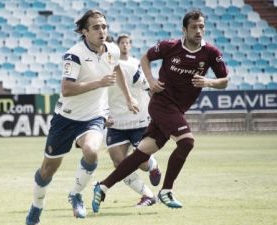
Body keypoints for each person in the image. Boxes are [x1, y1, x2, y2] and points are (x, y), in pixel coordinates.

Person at [92, 9, 228, 212]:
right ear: (184, 30)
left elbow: (224, 81)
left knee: (141, 154)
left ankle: (102, 186)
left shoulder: (211, 53)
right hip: (162, 104)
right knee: (187, 142)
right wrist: (151, 80)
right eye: (193, 27)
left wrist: (208, 82)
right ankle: (166, 191)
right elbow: (146, 57)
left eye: (201, 27)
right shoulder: (170, 46)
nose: (198, 31)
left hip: (177, 109)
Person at [25, 10, 139, 225]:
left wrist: (129, 97)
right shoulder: (74, 54)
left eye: (104, 26)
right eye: (96, 27)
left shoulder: (112, 50)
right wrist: (99, 83)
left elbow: (117, 70)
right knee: (47, 171)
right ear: (85, 31)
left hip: (94, 116)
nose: (102, 31)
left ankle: (76, 194)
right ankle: (36, 206)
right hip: (65, 118)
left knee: (92, 151)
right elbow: (66, 89)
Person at [105, 34, 161, 207]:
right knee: (118, 163)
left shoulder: (130, 67)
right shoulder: (91, 71)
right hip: (115, 124)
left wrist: (159, 113)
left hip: (138, 122)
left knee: (142, 164)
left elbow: (151, 88)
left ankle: (153, 166)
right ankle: (148, 195)